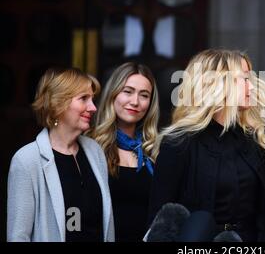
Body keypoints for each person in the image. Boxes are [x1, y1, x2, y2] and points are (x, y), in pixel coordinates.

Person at [147, 49, 265, 242]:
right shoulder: (179, 143)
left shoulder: (255, 142)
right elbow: (160, 222)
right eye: (245, 79)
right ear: (218, 83)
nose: (252, 88)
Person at [7, 68, 114, 242]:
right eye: (84, 99)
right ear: (58, 104)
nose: (93, 107)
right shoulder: (26, 160)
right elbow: (18, 236)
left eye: (92, 99)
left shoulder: (95, 152)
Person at [89, 62, 159, 242]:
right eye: (127, 91)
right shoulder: (91, 146)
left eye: (144, 95)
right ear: (113, 93)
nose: (135, 101)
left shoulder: (154, 151)